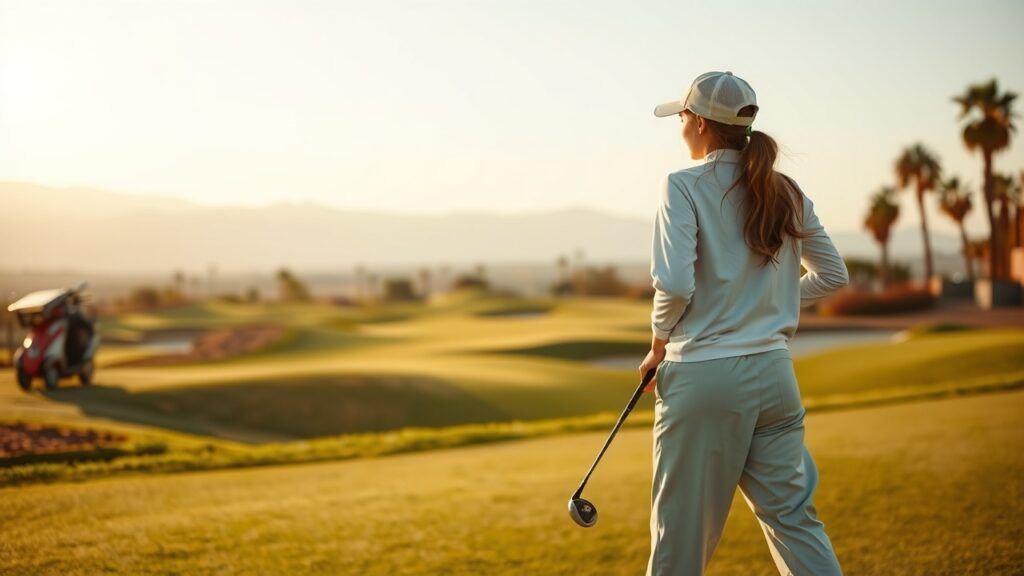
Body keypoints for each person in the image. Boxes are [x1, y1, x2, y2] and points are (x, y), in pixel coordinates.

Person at [640, 71, 848, 576]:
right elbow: (834, 276)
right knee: (794, 522)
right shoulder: (786, 189)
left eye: (684, 116)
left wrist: (656, 346)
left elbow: (674, 286)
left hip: (705, 379)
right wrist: (765, 306)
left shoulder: (682, 185)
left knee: (679, 539)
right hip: (775, 378)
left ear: (704, 125)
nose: (682, 125)